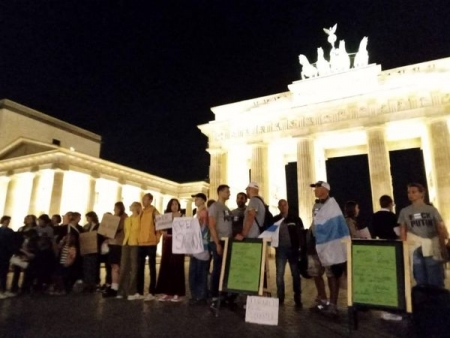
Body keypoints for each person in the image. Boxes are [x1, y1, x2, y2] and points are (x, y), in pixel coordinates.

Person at [307, 181, 350, 317]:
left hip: (329, 245)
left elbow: (337, 225)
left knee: (331, 275)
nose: (314, 190)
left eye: (317, 188)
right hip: (315, 244)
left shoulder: (332, 205)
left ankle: (333, 304)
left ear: (325, 189)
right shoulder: (316, 205)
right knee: (315, 273)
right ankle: (322, 299)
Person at [399, 183, 448, 287]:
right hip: (415, 246)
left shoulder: (431, 210)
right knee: (419, 275)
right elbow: (402, 230)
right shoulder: (404, 211)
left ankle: (436, 299)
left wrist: (443, 245)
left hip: (431, 244)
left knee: (434, 274)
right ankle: (423, 298)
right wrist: (404, 248)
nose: (410, 194)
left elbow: (440, 227)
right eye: (409, 192)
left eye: (414, 192)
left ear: (422, 193)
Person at [372, 196, 402, 321]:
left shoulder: (375, 216)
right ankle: (393, 308)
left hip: (380, 248)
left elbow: (372, 232)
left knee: (383, 277)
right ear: (390, 204)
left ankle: (384, 308)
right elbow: (398, 232)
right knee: (394, 278)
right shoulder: (392, 216)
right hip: (392, 247)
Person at [273, 199, 304, 307]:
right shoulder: (275, 219)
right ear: (278, 207)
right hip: (280, 250)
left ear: (288, 206)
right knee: (279, 275)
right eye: (280, 205)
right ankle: (280, 298)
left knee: (295, 274)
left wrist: (301, 248)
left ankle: (298, 298)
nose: (283, 207)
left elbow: (301, 233)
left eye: (284, 204)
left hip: (293, 249)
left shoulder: (295, 218)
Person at [155, 199, 186, 302]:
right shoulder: (166, 216)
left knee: (177, 266)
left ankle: (177, 292)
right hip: (168, 242)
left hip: (178, 243)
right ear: (169, 206)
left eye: (176, 204)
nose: (174, 206)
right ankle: (167, 292)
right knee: (167, 266)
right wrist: (162, 231)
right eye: (172, 204)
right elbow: (160, 227)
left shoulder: (182, 216)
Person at [208, 184, 232, 310]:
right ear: (220, 192)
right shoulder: (214, 207)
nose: (229, 193)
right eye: (227, 191)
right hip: (218, 241)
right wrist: (217, 243)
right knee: (217, 268)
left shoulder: (227, 208)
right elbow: (211, 225)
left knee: (224, 268)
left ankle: (223, 293)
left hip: (227, 241)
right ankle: (214, 296)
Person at [137, 193, 161, 301]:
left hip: (151, 242)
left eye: (145, 199)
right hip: (141, 243)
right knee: (140, 268)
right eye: (143, 199)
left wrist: (157, 238)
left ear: (150, 200)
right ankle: (139, 291)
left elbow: (160, 225)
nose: (143, 201)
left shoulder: (154, 211)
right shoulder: (141, 212)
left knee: (152, 268)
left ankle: (152, 291)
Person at [189, 193, 210, 305]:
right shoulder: (197, 214)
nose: (195, 201)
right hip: (196, 247)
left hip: (201, 247)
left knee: (199, 272)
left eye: (197, 199)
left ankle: (200, 295)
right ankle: (197, 295)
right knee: (196, 273)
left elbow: (203, 230)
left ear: (203, 200)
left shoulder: (204, 213)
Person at [119, 202, 142, 300]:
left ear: (136, 207)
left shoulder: (140, 219)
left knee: (134, 268)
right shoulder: (127, 220)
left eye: (132, 205)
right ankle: (121, 291)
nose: (130, 206)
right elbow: (125, 231)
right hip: (126, 243)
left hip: (135, 244)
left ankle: (131, 291)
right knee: (124, 267)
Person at [103, 202, 127, 298]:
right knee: (113, 265)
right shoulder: (115, 217)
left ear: (120, 208)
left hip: (118, 244)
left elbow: (120, 228)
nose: (114, 210)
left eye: (116, 208)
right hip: (112, 243)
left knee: (116, 266)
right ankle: (114, 286)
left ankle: (117, 287)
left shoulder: (124, 218)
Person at [82, 211, 100, 293]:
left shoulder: (98, 226)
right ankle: (87, 284)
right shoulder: (86, 226)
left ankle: (92, 285)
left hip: (94, 249)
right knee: (87, 267)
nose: (87, 219)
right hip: (87, 249)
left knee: (92, 267)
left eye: (88, 218)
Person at [0, 216, 15, 299]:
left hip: (6, 254)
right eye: (6, 220)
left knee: (4, 272)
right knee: (3, 272)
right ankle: (2, 290)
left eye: (8, 220)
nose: (7, 222)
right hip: (3, 253)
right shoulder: (8, 231)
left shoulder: (9, 231)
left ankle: (3, 289)